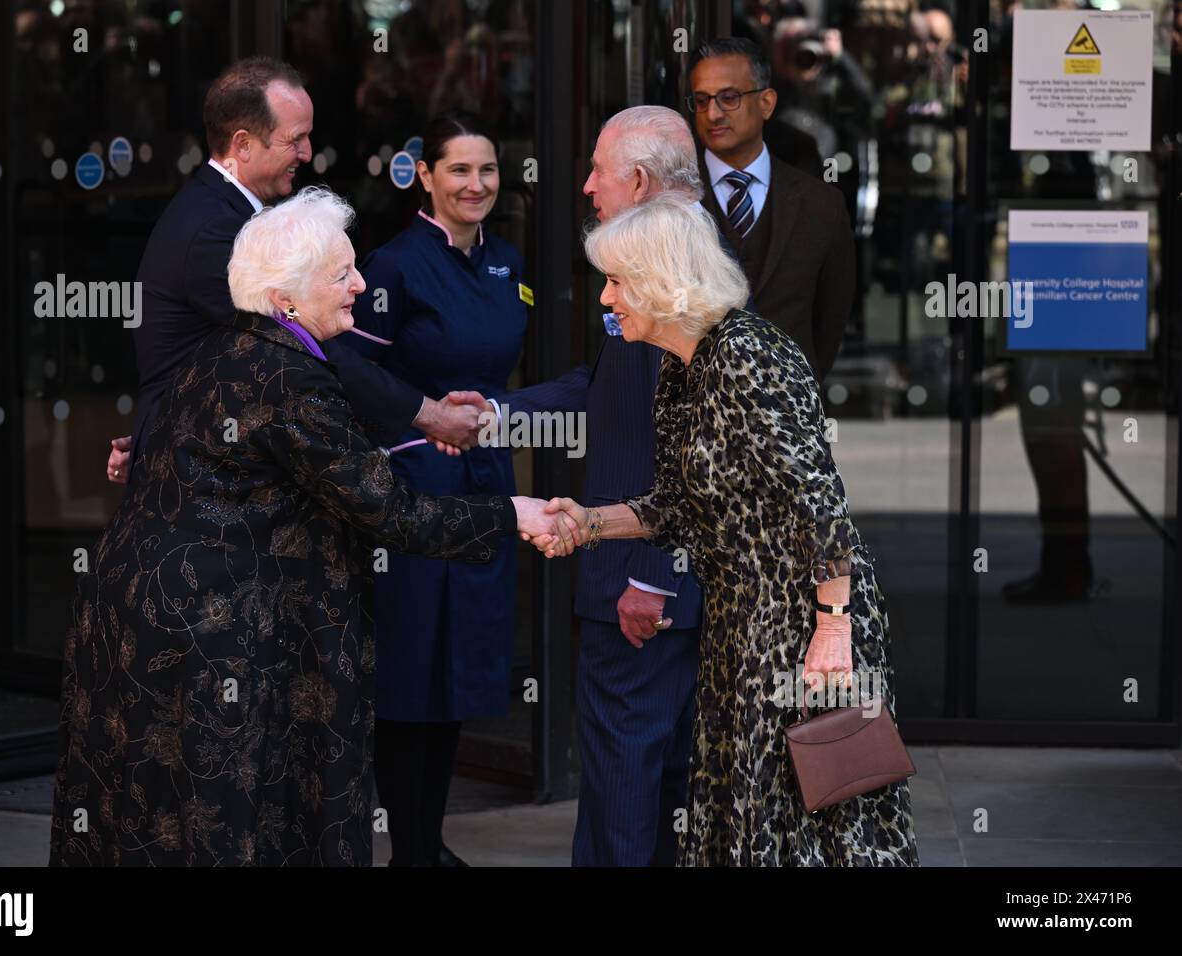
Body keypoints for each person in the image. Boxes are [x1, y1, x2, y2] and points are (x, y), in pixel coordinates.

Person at [50, 187, 570, 866]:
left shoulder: (223, 350)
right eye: (342, 274)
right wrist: (513, 512)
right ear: (287, 298)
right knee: (224, 824)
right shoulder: (290, 380)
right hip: (214, 644)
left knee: (151, 821)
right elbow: (390, 510)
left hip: (142, 627)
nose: (361, 285)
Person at [531, 195, 918, 866]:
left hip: (802, 625)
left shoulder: (747, 357)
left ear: (660, 280)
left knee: (805, 818)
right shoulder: (684, 366)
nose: (606, 297)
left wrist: (832, 628)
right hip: (739, 623)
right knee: (740, 814)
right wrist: (589, 523)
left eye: (618, 280)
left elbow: (819, 502)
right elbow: (680, 504)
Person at [471, 107, 707, 867]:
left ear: (638, 180)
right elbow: (603, 384)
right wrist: (497, 416)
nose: (586, 184)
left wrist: (652, 575)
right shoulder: (665, 249)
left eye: (599, 169)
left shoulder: (670, 265)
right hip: (651, 578)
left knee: (624, 789)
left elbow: (687, 442)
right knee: (655, 781)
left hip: (641, 586)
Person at [105, 57, 487, 485]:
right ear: (243, 144)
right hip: (196, 480)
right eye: (295, 139)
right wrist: (430, 415)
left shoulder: (220, 211)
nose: (307, 152)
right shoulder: (215, 232)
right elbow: (303, 349)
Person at [342, 112, 525, 867]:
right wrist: (423, 421)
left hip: (482, 484)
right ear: (426, 177)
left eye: (486, 171)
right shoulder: (393, 265)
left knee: (461, 666)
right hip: (411, 487)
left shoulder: (508, 264)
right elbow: (348, 370)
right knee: (410, 668)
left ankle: (432, 840)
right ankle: (408, 849)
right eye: (458, 170)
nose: (475, 184)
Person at [689, 37, 855, 380]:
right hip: (694, 418)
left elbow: (831, 319)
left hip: (790, 414)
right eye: (702, 100)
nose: (713, 114)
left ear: (766, 103)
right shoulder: (674, 198)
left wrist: (796, 390)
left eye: (729, 98)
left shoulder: (822, 205)